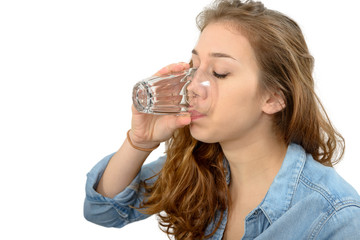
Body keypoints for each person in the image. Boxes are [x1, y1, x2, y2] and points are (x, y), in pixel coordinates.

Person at [83, 0, 360, 239]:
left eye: (219, 72)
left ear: (274, 97)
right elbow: (103, 210)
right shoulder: (196, 164)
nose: (191, 87)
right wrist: (141, 142)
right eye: (193, 67)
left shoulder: (336, 217)